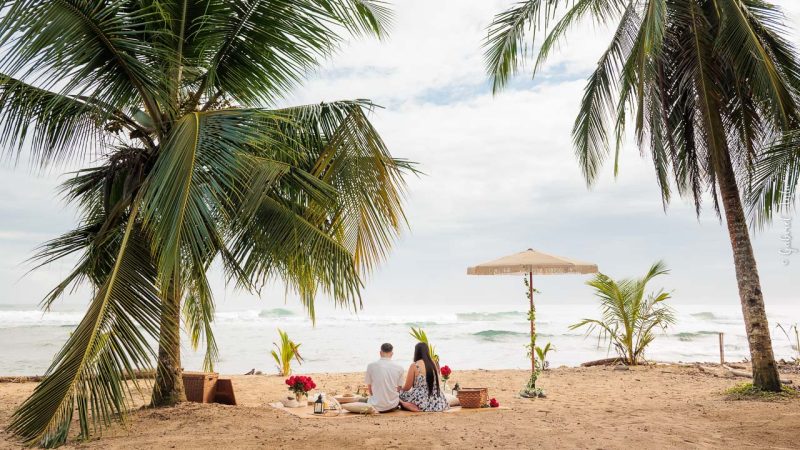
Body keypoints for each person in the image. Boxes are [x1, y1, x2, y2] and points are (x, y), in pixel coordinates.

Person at [399, 342, 449, 412]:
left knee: (399, 395)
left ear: (416, 352)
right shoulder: (434, 363)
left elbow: (407, 387)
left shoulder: (414, 365)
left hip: (421, 400)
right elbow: (438, 381)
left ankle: (406, 404)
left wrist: (400, 389)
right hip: (438, 401)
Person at [364, 343, 405, 412]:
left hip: (376, 406)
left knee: (360, 400)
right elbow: (399, 388)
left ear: (380, 353)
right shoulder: (400, 368)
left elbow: (370, 389)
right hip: (393, 405)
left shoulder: (371, 366)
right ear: (392, 354)